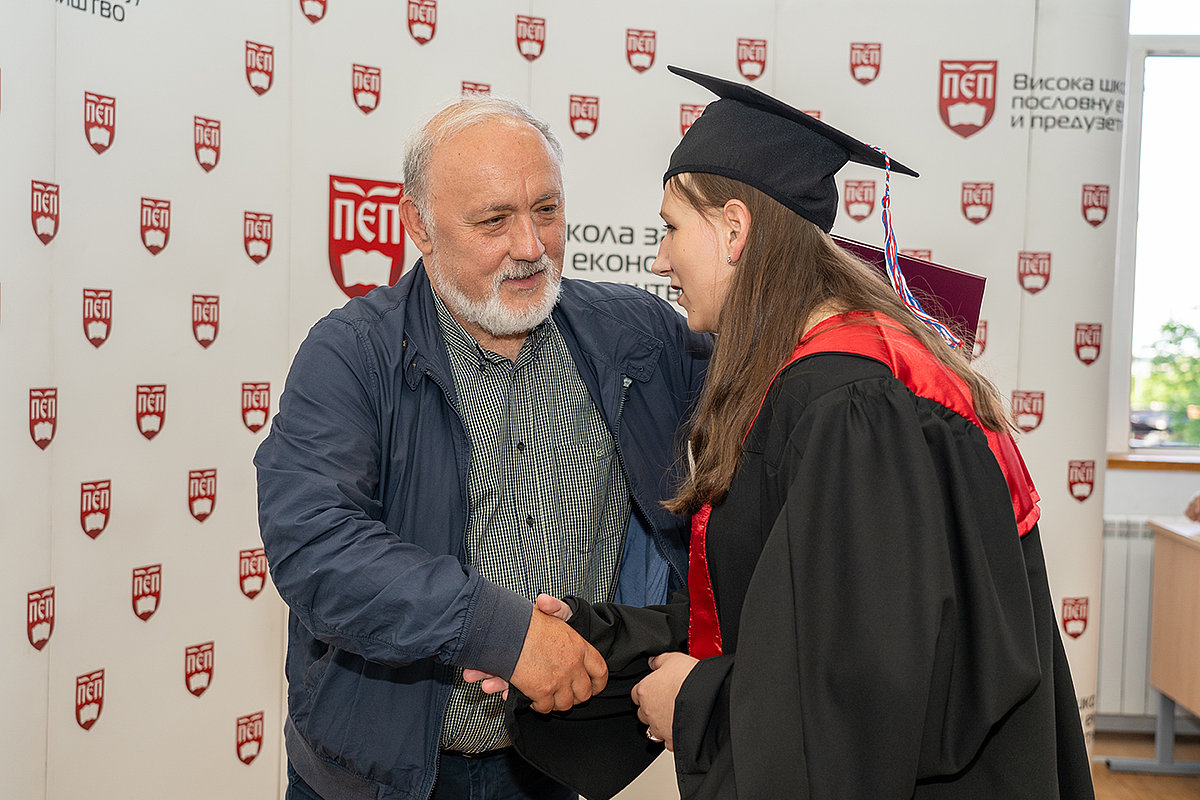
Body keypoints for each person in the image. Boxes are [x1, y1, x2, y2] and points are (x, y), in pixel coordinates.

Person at [496, 67, 1095, 800]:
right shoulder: (828, 381)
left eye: (672, 228)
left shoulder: (848, 408)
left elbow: (865, 690)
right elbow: (781, 612)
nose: (659, 259)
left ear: (735, 229)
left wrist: (698, 704)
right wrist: (593, 637)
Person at [253, 95, 712, 800]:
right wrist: (504, 633)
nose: (530, 246)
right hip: (375, 777)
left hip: (548, 766)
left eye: (547, 211)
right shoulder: (352, 354)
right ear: (419, 225)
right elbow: (316, 545)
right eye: (494, 220)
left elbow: (770, 401)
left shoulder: (638, 338)